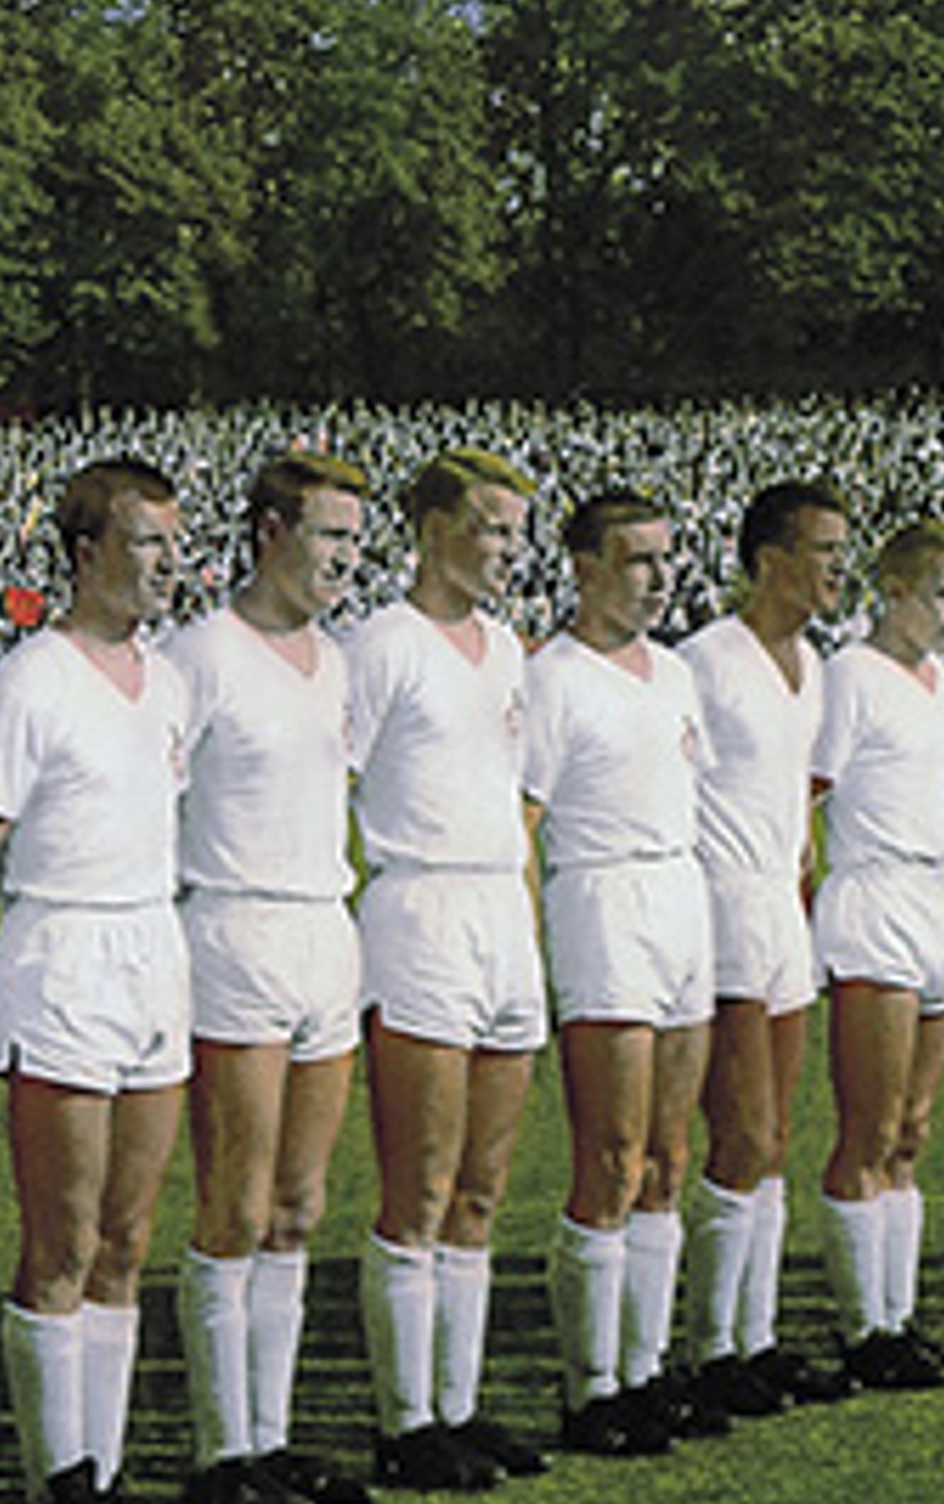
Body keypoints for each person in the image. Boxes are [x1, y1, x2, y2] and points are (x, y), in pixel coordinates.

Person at [0, 459, 192, 1504]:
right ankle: (53, 1473)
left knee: (127, 1241)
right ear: (86, 552)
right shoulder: (30, 679)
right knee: (61, 1240)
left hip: (153, 950)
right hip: (59, 954)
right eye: (146, 543)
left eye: (173, 543)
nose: (167, 564)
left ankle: (101, 1466)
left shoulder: (170, 680)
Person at [165, 454, 376, 1504]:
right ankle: (221, 1452)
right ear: (268, 534)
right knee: (235, 1206)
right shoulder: (200, 654)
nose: (345, 557)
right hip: (234, 932)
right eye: (329, 534)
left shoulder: (336, 661)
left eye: (354, 539)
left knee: (298, 1206)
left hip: (323, 932)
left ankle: (271, 1436)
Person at [348, 448, 550, 1492]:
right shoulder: (383, 644)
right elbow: (325, 780)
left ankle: (458, 1406)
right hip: (418, 913)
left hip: (499, 916)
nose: (508, 549)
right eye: (489, 527)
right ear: (433, 529)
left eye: (517, 531)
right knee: (419, 1188)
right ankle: (405, 1420)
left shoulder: (507, 649)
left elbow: (515, 798)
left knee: (481, 1188)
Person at [525, 490, 732, 1455]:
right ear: (585, 567)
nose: (658, 577)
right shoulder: (553, 678)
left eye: (665, 558)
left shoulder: (676, 674)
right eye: (638, 559)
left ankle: (646, 1371)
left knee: (667, 1158)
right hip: (600, 900)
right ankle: (591, 1387)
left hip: (679, 898)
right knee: (611, 1155)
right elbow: (523, 822)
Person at [678, 481, 853, 1415]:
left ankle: (756, 1334)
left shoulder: (812, 664)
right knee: (740, 1132)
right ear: (770, 559)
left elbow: (797, 791)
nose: (837, 569)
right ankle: (711, 1348)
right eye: (822, 551)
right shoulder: (707, 661)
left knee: (776, 1135)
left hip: (784, 907)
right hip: (724, 903)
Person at [809, 520, 944, 1391]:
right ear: (898, 589)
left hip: (939, 898)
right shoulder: (850, 675)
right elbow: (806, 794)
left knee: (912, 1131)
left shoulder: (943, 681)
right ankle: (861, 1330)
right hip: (875, 900)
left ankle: (897, 1316)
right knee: (870, 1130)